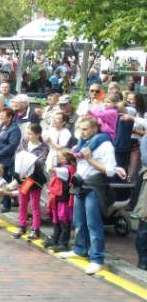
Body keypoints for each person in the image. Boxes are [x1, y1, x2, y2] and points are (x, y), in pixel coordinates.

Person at [58, 116, 118, 275]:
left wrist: (90, 159)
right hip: (80, 185)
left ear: (95, 128)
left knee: (93, 224)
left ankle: (97, 259)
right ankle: (79, 249)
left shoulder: (105, 145)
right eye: (80, 129)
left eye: (85, 129)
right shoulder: (82, 144)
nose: (82, 132)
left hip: (94, 187)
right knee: (79, 221)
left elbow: (110, 170)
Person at [11, 124, 49, 240]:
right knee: (22, 202)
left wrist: (28, 162)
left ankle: (35, 229)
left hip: (35, 178)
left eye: (30, 134)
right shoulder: (24, 143)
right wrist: (17, 174)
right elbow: (17, 156)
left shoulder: (44, 147)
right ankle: (22, 226)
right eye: (27, 133)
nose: (27, 136)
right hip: (23, 178)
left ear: (37, 135)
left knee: (34, 204)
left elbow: (39, 163)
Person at [0, 108, 22, 212]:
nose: (0, 117)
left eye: (3, 116)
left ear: (10, 117)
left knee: (4, 180)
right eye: (0, 115)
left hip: (5, 159)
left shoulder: (15, 129)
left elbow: (12, 145)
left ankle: (6, 204)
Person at [43, 150, 76, 252]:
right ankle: (55, 239)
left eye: (59, 156)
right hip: (57, 197)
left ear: (65, 158)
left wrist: (52, 158)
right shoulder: (64, 168)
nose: (57, 157)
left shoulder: (66, 169)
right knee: (56, 219)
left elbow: (50, 168)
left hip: (63, 198)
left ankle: (63, 243)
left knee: (63, 220)